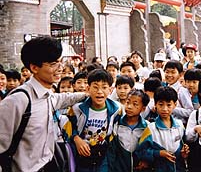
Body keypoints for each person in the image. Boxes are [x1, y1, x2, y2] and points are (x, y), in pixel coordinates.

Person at [0, 36, 86, 171]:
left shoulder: (47, 96)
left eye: (59, 62)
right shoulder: (17, 101)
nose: (60, 68)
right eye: (53, 64)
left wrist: (87, 95)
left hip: (49, 165)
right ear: (34, 67)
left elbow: (64, 98)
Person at [69, 69, 122, 172]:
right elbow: (69, 127)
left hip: (103, 156)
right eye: (95, 87)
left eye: (104, 87)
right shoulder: (77, 109)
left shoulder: (117, 110)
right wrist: (76, 138)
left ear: (110, 90)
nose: (99, 92)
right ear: (88, 88)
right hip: (82, 155)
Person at [136, 86, 189, 172]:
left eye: (169, 105)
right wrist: (159, 153)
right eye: (161, 104)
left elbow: (183, 148)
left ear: (175, 105)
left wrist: (184, 153)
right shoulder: (151, 128)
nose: (165, 109)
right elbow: (140, 152)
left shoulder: (179, 125)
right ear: (155, 104)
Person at [109, 89, 150, 172]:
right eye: (128, 102)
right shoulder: (116, 125)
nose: (129, 106)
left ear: (143, 108)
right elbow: (111, 152)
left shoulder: (147, 127)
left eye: (135, 104)